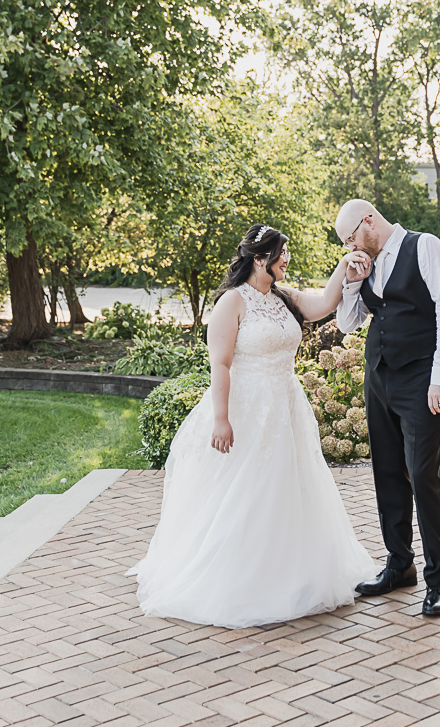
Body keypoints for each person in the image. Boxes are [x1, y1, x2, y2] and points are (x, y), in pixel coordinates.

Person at [131, 224, 374, 629]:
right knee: (247, 489)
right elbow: (221, 364)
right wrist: (221, 418)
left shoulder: (284, 297)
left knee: (288, 486)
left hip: (286, 405)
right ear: (259, 258)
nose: (286, 261)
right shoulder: (232, 302)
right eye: (281, 254)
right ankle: (243, 575)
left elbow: (323, 305)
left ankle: (292, 571)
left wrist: (343, 267)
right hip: (247, 407)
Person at [335, 200, 440, 618]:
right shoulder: (366, 264)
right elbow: (347, 324)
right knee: (387, 471)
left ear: (368, 220)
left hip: (421, 380)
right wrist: (353, 281)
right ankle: (398, 565)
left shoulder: (425, 247)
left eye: (351, 237)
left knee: (422, 474)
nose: (351, 245)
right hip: (381, 379)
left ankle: (438, 579)